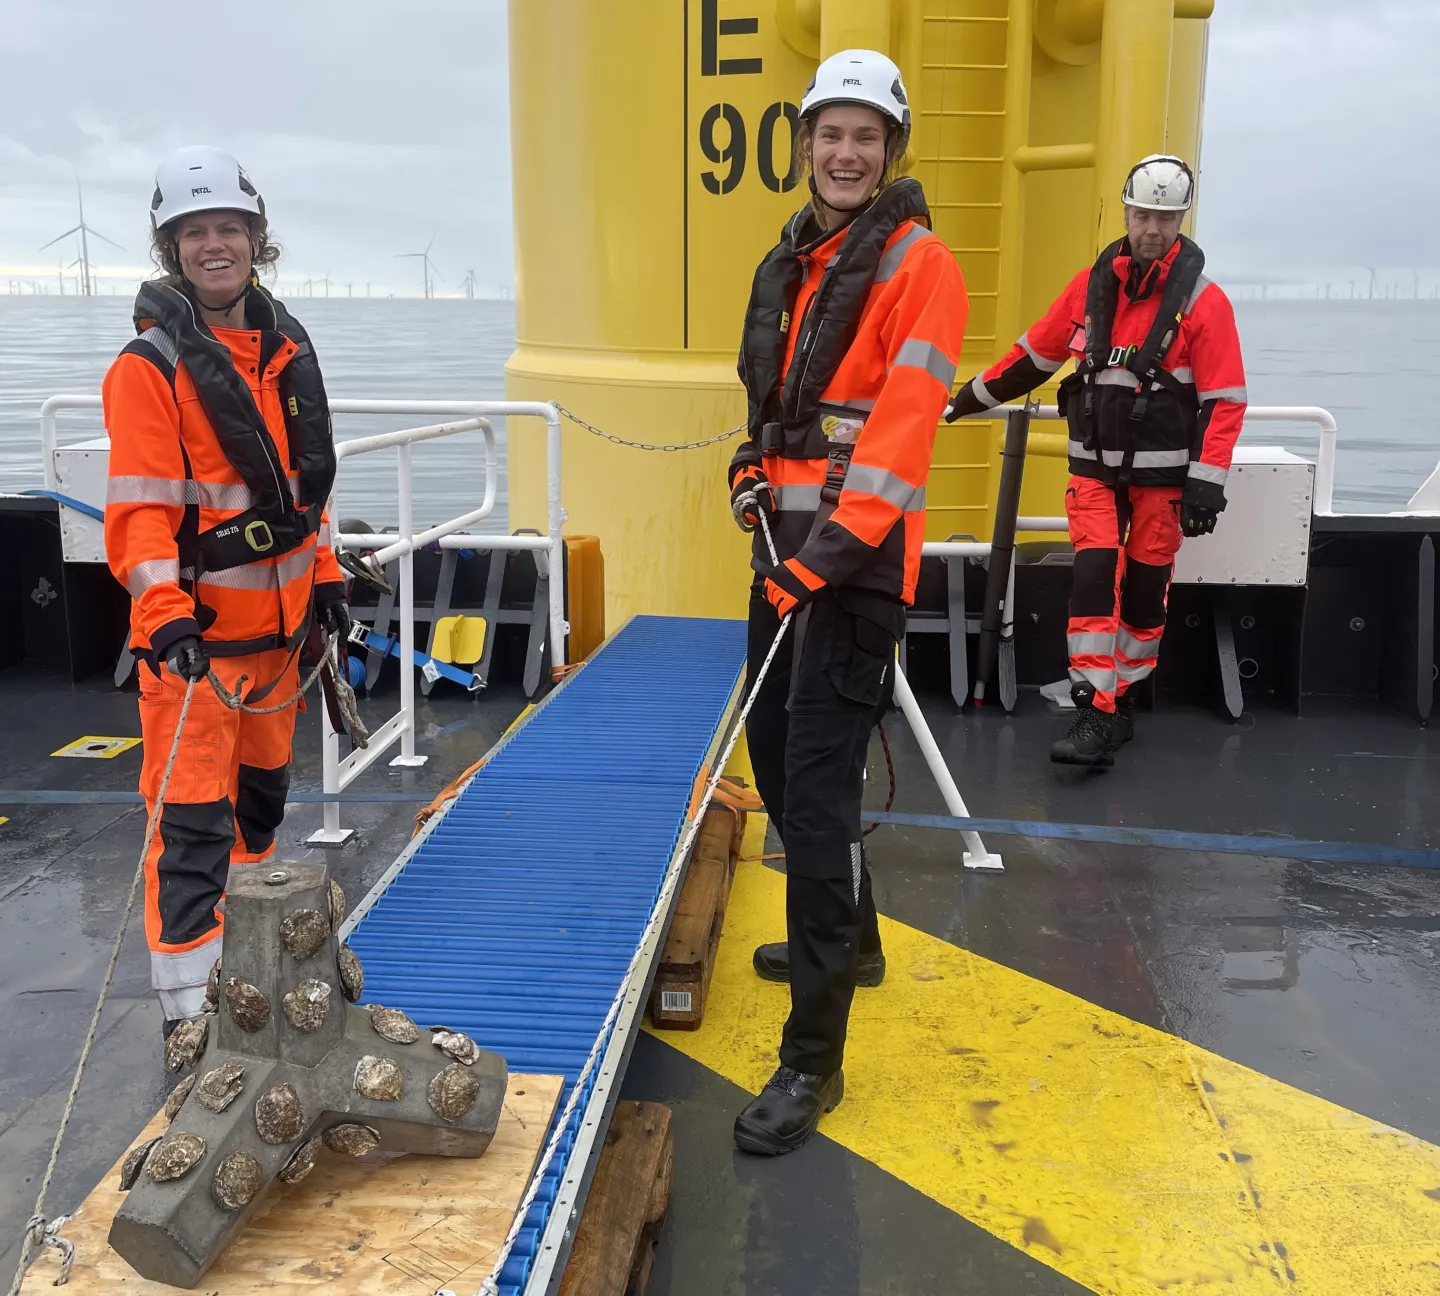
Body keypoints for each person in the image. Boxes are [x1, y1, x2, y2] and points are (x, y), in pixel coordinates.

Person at [726, 50, 968, 1154]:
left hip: (849, 574)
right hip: (784, 560)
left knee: (818, 807)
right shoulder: (797, 262)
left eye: (867, 135)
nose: (846, 152)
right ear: (806, 144)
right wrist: (747, 469)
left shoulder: (922, 267)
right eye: (831, 132)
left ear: (893, 150)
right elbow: (778, 412)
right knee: (776, 763)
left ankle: (811, 1063)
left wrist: (821, 562)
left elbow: (900, 437)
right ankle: (854, 942)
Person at [103, 146, 349, 1032]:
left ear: (256, 239)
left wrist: (326, 579)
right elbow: (138, 515)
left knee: (256, 820)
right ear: (172, 250)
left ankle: (248, 990)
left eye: (230, 228)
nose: (215, 245)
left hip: (277, 654)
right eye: (194, 231)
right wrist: (167, 620)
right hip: (196, 659)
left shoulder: (282, 355)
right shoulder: (149, 368)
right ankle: (189, 1020)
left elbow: (302, 494)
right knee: (193, 840)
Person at [946, 154, 1247, 767]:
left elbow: (1224, 401)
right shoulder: (1089, 288)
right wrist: (965, 400)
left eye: (1165, 218)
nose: (1152, 229)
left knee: (1145, 592)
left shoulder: (1206, 303)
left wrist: (1207, 483)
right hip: (1094, 471)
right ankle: (1094, 707)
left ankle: (1121, 701)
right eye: (1142, 216)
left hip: (1165, 481)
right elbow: (1034, 357)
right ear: (1126, 213)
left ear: (1181, 220)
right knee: (1092, 579)